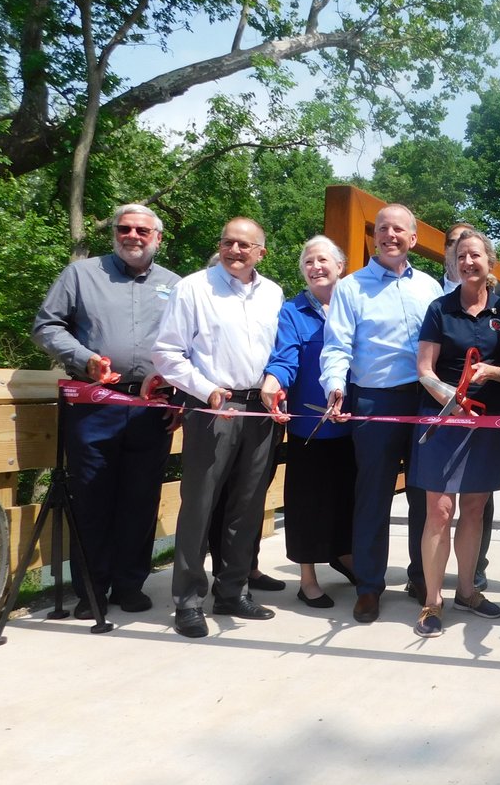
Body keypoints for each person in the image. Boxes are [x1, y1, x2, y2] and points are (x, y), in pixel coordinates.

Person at [31, 203, 180, 619]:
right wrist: (83, 358)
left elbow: (190, 345)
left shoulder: (176, 285)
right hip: (93, 404)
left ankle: (131, 586)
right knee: (91, 499)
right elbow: (46, 326)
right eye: (125, 228)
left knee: (140, 499)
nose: (133, 236)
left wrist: (180, 396)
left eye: (142, 231)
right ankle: (91, 591)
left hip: (153, 408)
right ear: (114, 233)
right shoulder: (81, 274)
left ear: (157, 238)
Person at [153, 217, 284, 638]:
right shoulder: (193, 288)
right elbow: (167, 353)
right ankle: (188, 602)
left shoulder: (274, 293)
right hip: (213, 407)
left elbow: (280, 350)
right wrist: (205, 389)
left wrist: (276, 381)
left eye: (245, 245)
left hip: (259, 410)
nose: (235, 251)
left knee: (247, 505)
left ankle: (232, 591)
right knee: (199, 505)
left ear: (261, 253)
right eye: (228, 242)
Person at [320, 203, 442, 624]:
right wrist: (335, 386)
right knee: (373, 496)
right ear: (375, 237)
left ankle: (422, 577)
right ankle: (369, 585)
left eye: (399, 230)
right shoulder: (351, 288)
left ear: (413, 239)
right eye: (383, 229)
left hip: (425, 399)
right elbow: (336, 346)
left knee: (425, 494)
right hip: (375, 400)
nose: (390, 236)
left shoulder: (431, 287)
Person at [410, 229, 500, 637]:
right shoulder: (439, 309)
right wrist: (450, 396)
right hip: (443, 418)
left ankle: (467, 591)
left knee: (473, 509)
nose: (468, 263)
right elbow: (423, 370)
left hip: (486, 421)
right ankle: (433, 601)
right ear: (454, 264)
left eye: (476, 256)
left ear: (489, 262)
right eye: (461, 257)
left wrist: (494, 372)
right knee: (439, 511)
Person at [259, 236, 357, 609]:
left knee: (349, 495)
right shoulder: (293, 311)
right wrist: (274, 379)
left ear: (339, 266)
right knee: (307, 502)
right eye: (309, 262)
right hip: (308, 425)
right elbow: (284, 357)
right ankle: (308, 578)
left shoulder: (353, 306)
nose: (316, 267)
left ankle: (344, 555)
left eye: (323, 260)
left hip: (352, 422)